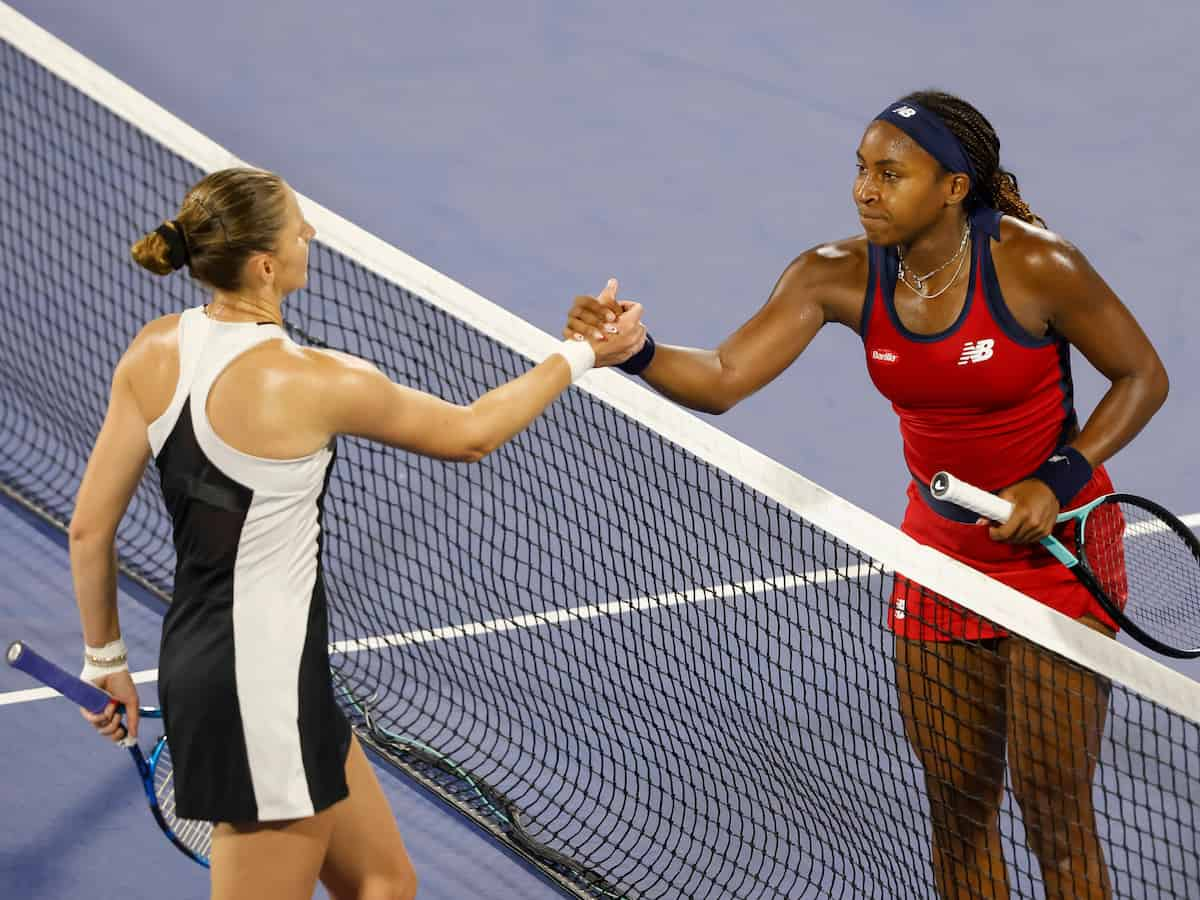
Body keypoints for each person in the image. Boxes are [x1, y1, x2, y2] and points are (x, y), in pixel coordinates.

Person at [564, 91, 1168, 899]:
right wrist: (633, 350)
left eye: (891, 172)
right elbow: (722, 377)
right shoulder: (835, 275)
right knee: (957, 818)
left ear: (953, 187)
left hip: (1055, 552)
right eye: (861, 169)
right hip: (939, 554)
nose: (865, 189)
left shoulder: (1034, 266)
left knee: (1056, 823)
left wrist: (1058, 479)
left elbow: (1141, 376)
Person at [69, 166, 642, 900]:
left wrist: (103, 659)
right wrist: (584, 352)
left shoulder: (153, 351)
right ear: (266, 264)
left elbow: (90, 528)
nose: (312, 233)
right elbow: (471, 434)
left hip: (223, 664)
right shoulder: (316, 380)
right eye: (297, 227)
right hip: (261, 691)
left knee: (383, 882)